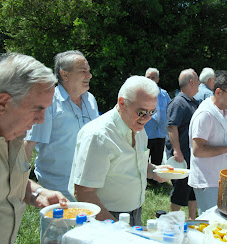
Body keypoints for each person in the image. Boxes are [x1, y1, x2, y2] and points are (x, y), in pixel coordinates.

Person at [0, 53, 68, 244]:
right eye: (37, 109)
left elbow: (3, 182)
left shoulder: (12, 133)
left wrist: (37, 193)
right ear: (2, 103)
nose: (42, 120)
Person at [68, 76, 172, 226]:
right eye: (142, 112)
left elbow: (132, 165)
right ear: (122, 103)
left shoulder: (138, 128)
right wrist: (115, 227)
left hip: (134, 212)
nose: (148, 118)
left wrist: (154, 171)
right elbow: (83, 192)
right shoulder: (98, 136)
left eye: (152, 112)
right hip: (102, 216)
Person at [24, 51, 99, 201]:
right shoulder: (50, 102)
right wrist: (21, 183)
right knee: (58, 224)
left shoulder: (90, 99)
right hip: (57, 185)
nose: (89, 75)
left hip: (88, 183)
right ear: (65, 75)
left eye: (89, 71)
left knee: (87, 224)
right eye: (83, 71)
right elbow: (29, 143)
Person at [188, 72, 227, 214]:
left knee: (223, 222)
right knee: (210, 222)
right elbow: (198, 150)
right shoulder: (205, 114)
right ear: (218, 92)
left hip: (224, 178)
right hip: (207, 180)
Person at [166, 69, 199, 220]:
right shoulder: (179, 102)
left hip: (192, 156)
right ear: (191, 82)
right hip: (182, 156)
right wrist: (177, 151)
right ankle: (172, 221)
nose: (199, 84)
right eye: (197, 80)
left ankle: (192, 220)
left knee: (193, 190)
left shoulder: (193, 102)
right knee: (180, 190)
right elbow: (172, 127)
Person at [144, 68, 171, 167]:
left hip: (160, 133)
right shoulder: (141, 94)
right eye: (148, 77)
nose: (151, 80)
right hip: (146, 133)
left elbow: (170, 109)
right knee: (143, 160)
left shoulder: (164, 94)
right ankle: (144, 180)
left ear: (158, 79)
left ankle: (155, 180)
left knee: (157, 159)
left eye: (153, 77)